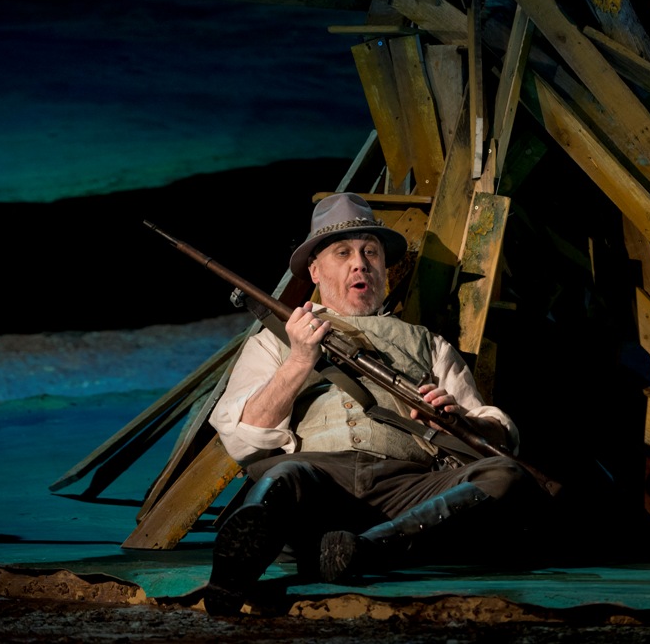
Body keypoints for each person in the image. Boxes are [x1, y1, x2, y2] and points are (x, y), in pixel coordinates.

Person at [203, 192, 545, 616]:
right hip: (317, 486)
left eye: (370, 252)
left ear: (385, 267)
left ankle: (365, 550)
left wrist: (453, 420)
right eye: (342, 252)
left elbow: (492, 434)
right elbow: (245, 439)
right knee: (285, 477)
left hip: (409, 490)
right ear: (315, 270)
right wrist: (298, 360)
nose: (359, 263)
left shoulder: (429, 344)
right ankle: (232, 577)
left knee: (505, 476)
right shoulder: (276, 338)